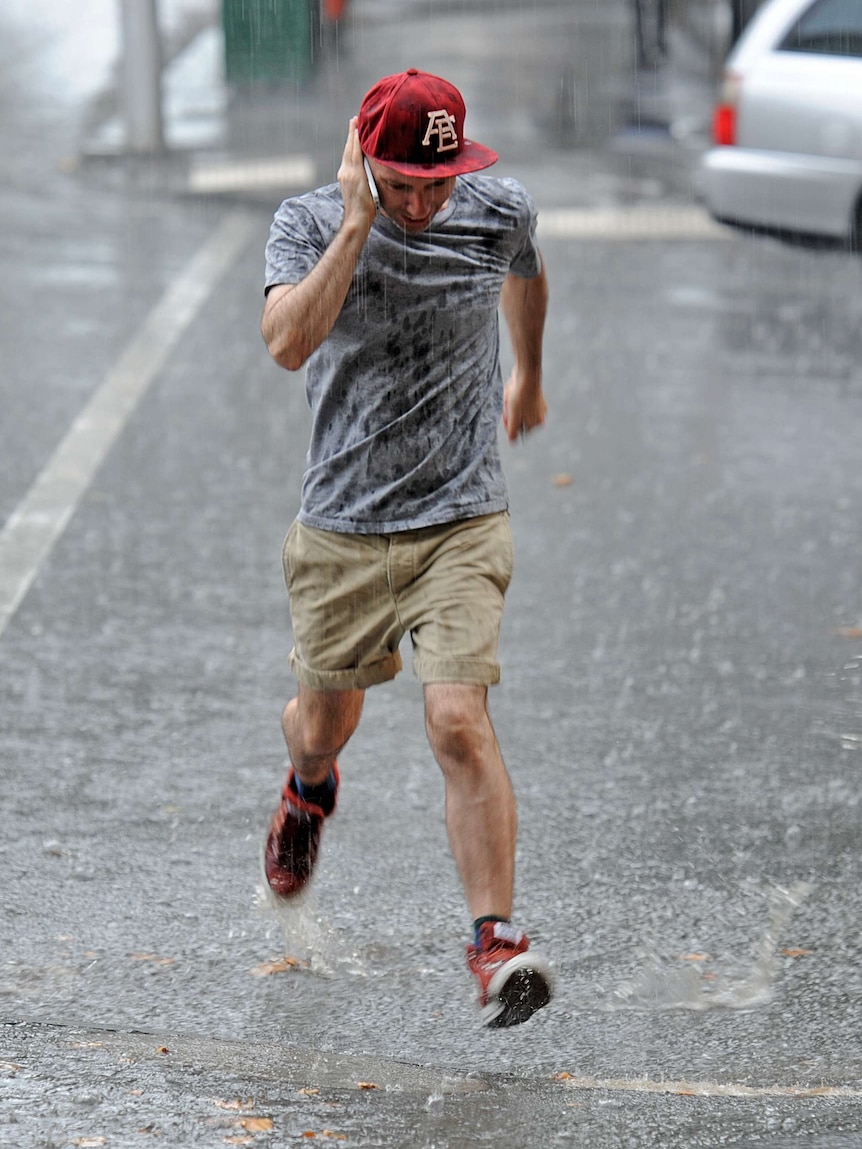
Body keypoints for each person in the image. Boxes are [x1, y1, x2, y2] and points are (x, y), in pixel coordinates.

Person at [260, 68, 551, 1028]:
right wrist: (357, 223)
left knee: (457, 718)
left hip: (461, 517)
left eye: (438, 183)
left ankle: (496, 940)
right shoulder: (308, 224)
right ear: (362, 158)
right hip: (342, 526)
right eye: (401, 184)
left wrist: (527, 377)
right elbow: (286, 343)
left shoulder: (495, 211)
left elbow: (528, 268)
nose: (423, 204)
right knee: (320, 726)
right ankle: (309, 792)